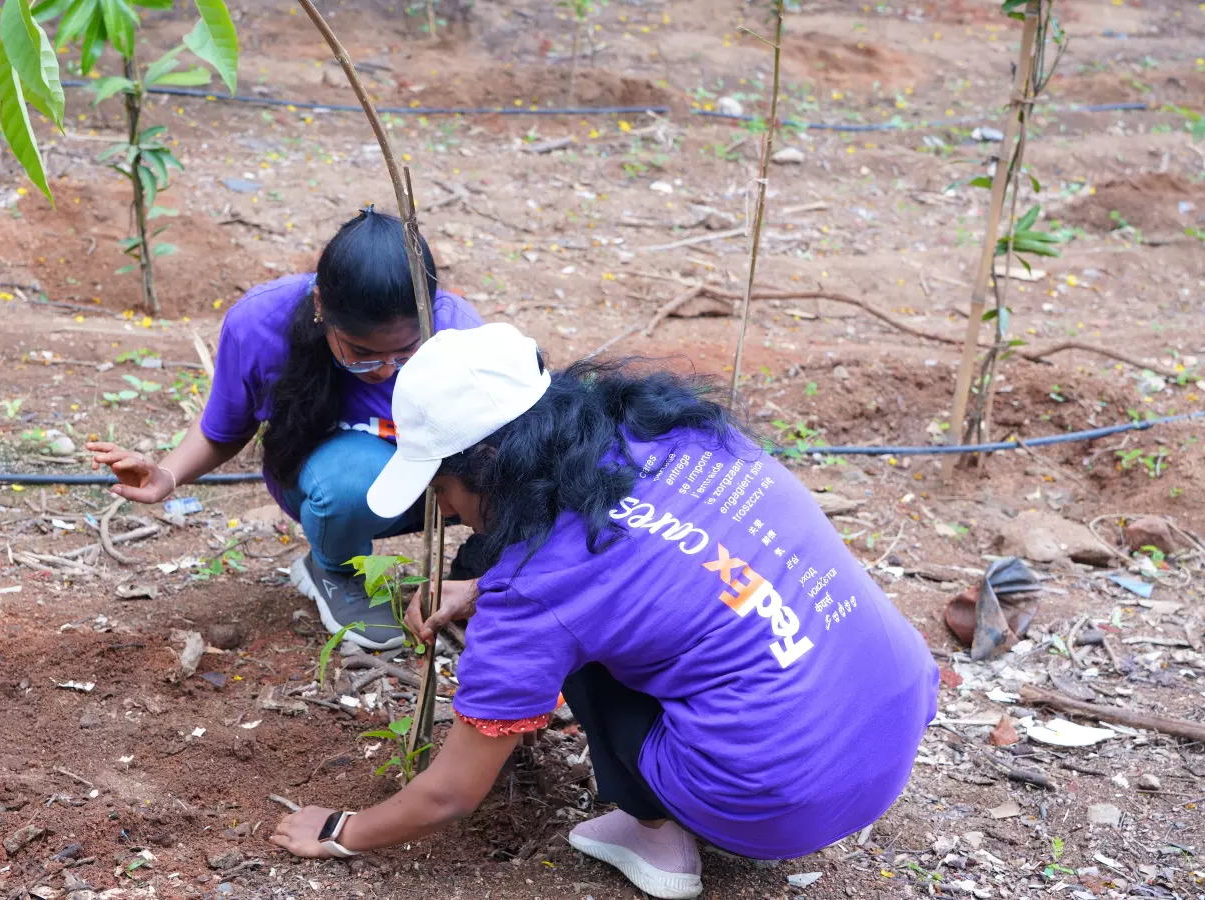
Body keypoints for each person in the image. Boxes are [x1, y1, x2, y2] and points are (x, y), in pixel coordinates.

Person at [268, 324, 939, 899]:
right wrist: (476, 587)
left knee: (579, 652)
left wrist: (340, 833)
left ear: (493, 461)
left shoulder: (537, 591)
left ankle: (655, 834)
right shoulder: (674, 433)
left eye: (441, 485)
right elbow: (677, 559)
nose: (443, 510)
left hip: (777, 801)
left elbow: (451, 794)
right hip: (895, 710)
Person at [87, 208, 481, 650]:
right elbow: (225, 428)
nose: (385, 371)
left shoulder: (457, 333)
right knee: (351, 481)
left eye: (405, 353)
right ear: (320, 306)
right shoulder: (259, 325)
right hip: (334, 484)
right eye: (363, 354)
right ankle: (335, 570)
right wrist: (168, 475)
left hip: (433, 490)